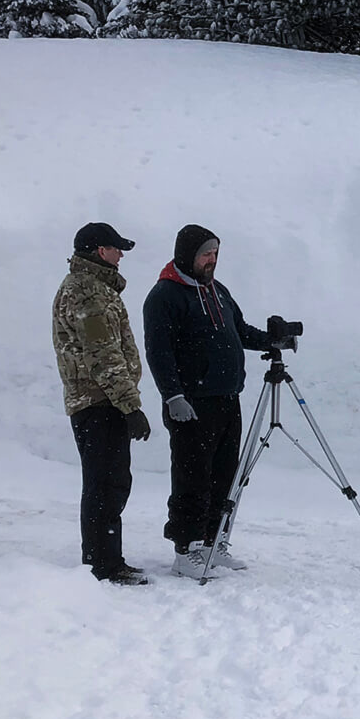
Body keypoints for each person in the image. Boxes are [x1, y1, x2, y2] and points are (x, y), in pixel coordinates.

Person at [142, 224, 282, 577]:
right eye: (206, 253)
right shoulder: (165, 296)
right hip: (191, 403)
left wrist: (272, 341)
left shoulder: (218, 291)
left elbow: (240, 331)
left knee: (224, 476)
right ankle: (185, 549)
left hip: (225, 397)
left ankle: (212, 541)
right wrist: (172, 395)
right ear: (187, 255)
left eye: (216, 253)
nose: (212, 260)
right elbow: (159, 353)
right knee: (192, 477)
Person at [52, 222, 152, 586]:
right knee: (105, 483)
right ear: (99, 251)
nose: (121, 254)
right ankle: (102, 564)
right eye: (116, 248)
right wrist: (130, 406)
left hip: (103, 399)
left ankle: (107, 558)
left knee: (112, 480)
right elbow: (103, 354)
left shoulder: (97, 288)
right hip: (97, 401)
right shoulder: (87, 292)